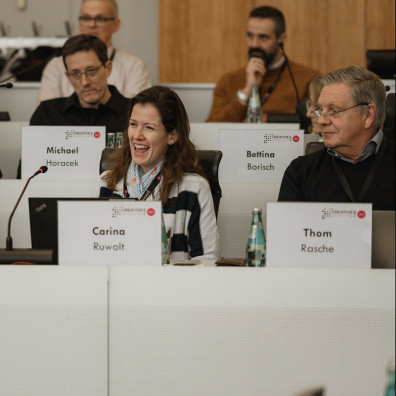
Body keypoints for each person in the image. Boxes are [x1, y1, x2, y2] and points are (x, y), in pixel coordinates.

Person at [100, 86, 220, 260]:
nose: (137, 135)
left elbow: (207, 260)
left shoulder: (193, 189)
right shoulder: (107, 183)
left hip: (174, 285)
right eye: (133, 124)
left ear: (172, 136)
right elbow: (96, 253)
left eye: (149, 127)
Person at [278, 66, 395, 210]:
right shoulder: (301, 172)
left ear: (368, 115)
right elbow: (287, 231)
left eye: (334, 111)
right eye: (320, 110)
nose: (321, 121)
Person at [206, 6, 320, 122]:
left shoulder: (308, 79)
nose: (254, 44)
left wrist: (269, 120)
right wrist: (247, 91)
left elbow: (318, 121)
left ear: (281, 39)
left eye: (263, 37)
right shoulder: (229, 80)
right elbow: (211, 127)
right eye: (250, 36)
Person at [37, 0, 151, 102]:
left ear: (116, 24)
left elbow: (137, 116)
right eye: (86, 18)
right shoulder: (56, 66)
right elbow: (47, 117)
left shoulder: (134, 67)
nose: (92, 25)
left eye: (100, 19)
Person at [30, 34, 129, 134]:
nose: (84, 82)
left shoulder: (133, 113)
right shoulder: (48, 113)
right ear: (68, 77)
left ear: (108, 68)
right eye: (75, 74)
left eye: (91, 71)